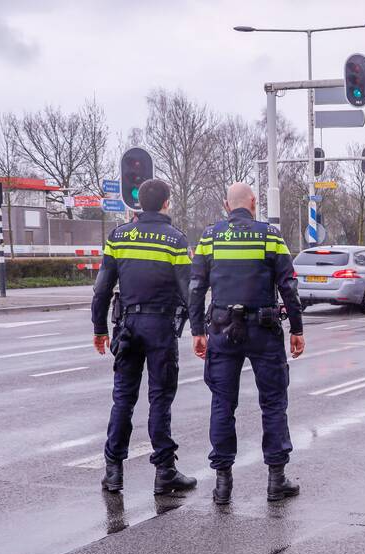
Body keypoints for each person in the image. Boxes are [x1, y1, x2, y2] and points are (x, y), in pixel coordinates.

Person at [189, 183, 305, 505]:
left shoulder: (210, 237)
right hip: (264, 331)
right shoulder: (270, 235)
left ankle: (223, 485)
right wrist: (297, 328)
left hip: (222, 330)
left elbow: (196, 286)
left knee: (223, 405)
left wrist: (198, 330)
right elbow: (289, 287)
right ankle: (276, 481)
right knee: (273, 403)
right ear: (254, 203)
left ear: (227, 205)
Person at [91, 179, 197, 495]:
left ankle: (113, 472)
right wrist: (199, 330)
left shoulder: (119, 236)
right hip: (160, 328)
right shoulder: (175, 240)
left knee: (123, 398)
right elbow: (189, 291)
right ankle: (164, 472)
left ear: (139, 203)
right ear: (166, 203)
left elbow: (102, 287)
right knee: (160, 398)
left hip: (126, 327)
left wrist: (99, 329)